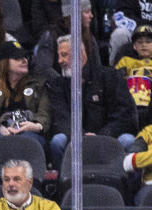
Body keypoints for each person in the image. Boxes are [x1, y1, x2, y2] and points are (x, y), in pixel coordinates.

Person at [47, 35, 137, 169]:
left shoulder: (110, 76)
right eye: (58, 56)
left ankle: (126, 187)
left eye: (64, 55)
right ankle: (63, 184)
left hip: (109, 136)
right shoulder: (58, 84)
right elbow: (61, 118)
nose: (60, 61)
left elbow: (124, 114)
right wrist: (81, 136)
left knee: (128, 140)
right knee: (57, 141)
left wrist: (102, 135)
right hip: (75, 139)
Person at [0, 41, 50, 164]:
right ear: (4, 62)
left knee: (29, 142)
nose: (24, 60)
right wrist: (0, 128)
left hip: (28, 132)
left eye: (25, 57)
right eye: (17, 58)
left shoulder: (38, 84)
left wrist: (36, 126)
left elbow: (45, 113)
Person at [115, 24, 152, 130]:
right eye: (139, 42)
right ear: (134, 46)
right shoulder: (126, 60)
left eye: (148, 42)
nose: (143, 45)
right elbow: (115, 78)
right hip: (130, 100)